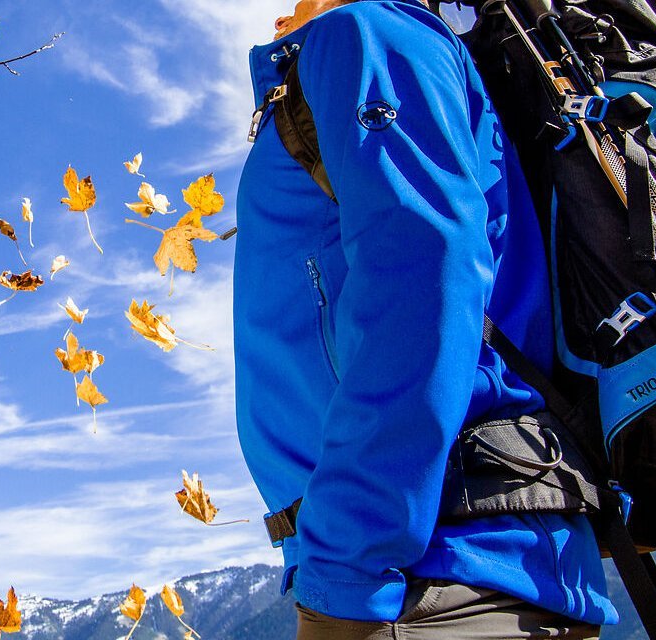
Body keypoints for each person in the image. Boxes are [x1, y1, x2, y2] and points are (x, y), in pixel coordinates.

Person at [236, 1, 617, 638]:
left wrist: (345, 580)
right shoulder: (359, 53)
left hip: (431, 569)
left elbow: (421, 274)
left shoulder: (369, 36)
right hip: (457, 557)